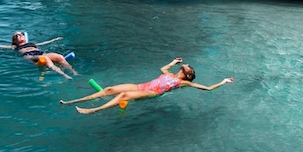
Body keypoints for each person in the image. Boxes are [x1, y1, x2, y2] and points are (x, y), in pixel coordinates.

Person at [60, 57, 233, 114]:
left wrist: (223, 82)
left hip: (152, 92)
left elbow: (207, 88)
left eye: (189, 67)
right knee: (109, 90)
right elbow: (163, 68)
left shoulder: (183, 82)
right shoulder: (170, 74)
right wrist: (173, 62)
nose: (187, 64)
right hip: (141, 86)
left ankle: (91, 111)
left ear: (189, 74)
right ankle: (74, 101)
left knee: (123, 96)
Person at [0, 32, 77, 79]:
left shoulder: (33, 44)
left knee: (59, 57)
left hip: (41, 53)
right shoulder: (14, 47)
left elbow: (45, 43)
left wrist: (55, 39)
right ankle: (64, 75)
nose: (20, 36)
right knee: (46, 59)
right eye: (17, 36)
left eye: (21, 34)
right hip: (30, 57)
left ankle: (74, 73)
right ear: (14, 41)